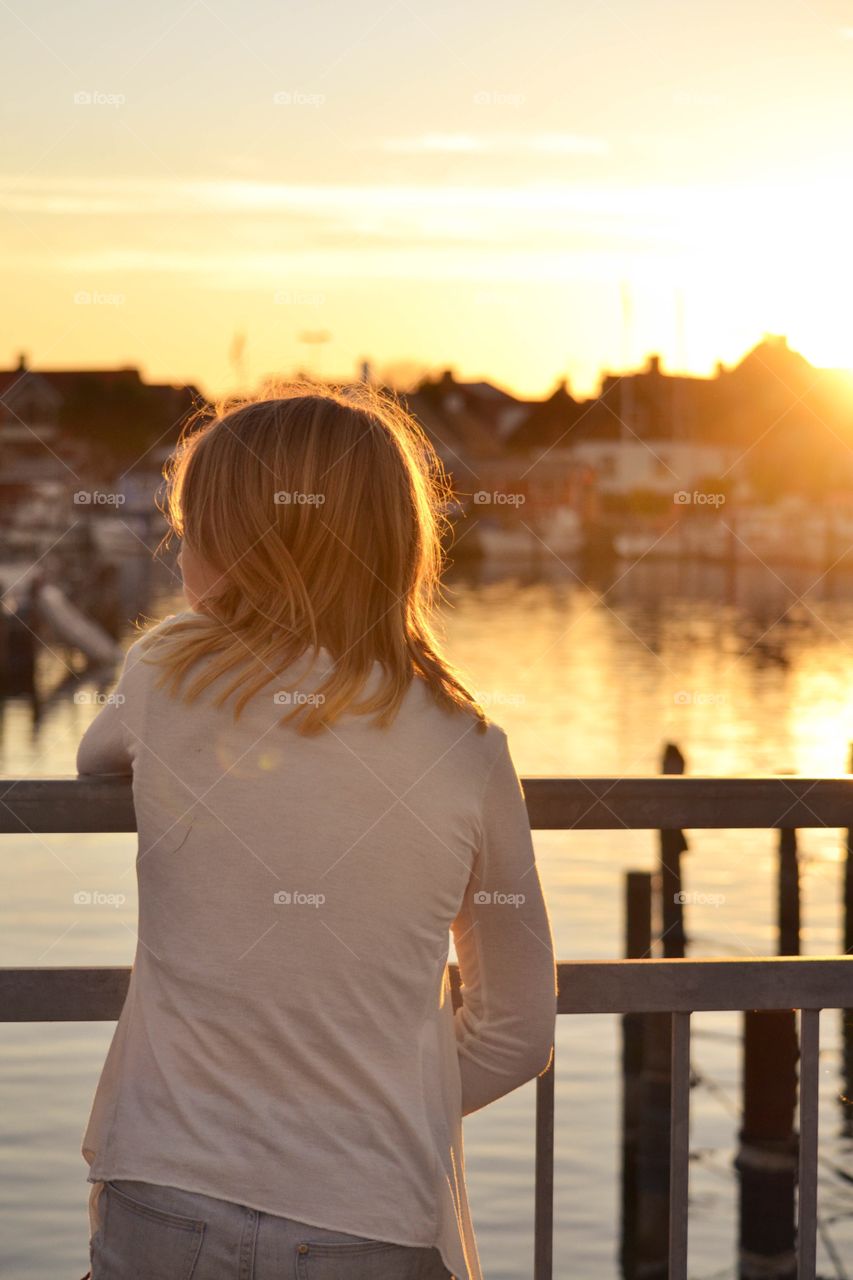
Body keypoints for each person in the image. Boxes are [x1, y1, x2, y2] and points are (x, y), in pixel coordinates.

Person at [76, 380, 557, 1280]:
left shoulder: (166, 674)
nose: (179, 553)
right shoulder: (467, 740)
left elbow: (92, 757)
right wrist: (385, 1105)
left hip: (167, 1194)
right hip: (368, 1219)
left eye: (196, 531)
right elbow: (517, 1032)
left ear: (242, 549)